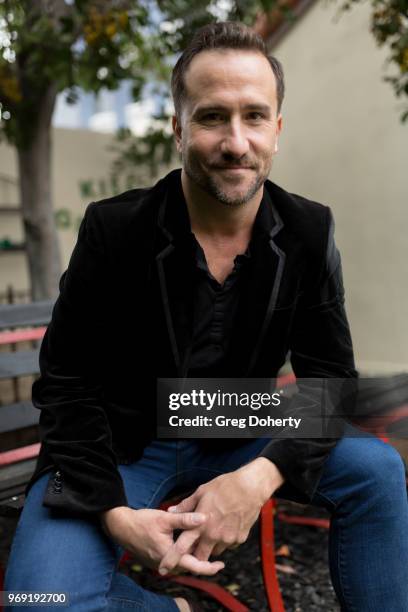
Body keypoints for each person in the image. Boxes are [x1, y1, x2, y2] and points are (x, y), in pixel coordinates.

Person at [5, 21, 408, 612]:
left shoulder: (307, 230)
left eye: (254, 116)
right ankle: (169, 608)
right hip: (125, 433)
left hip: (237, 414)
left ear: (277, 129)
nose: (236, 142)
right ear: (178, 128)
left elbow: (331, 381)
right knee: (38, 600)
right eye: (213, 116)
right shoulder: (114, 229)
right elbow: (66, 384)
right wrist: (116, 516)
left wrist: (258, 479)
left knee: (375, 470)